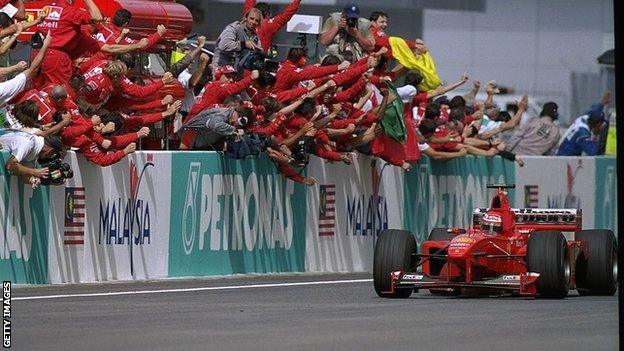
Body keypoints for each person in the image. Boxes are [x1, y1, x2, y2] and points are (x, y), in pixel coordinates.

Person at [0, 129, 65, 187]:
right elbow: (10, 165)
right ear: (51, 150)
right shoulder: (28, 143)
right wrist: (34, 172)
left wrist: (38, 180)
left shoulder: (35, 150)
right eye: (52, 154)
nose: (50, 157)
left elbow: (26, 176)